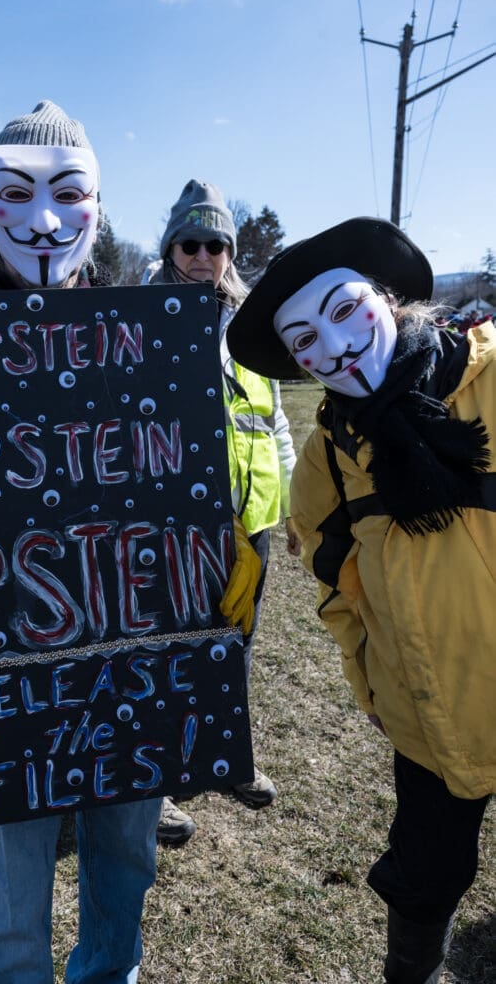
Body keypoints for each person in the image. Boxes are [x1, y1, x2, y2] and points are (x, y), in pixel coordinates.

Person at [0, 102, 261, 984]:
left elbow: (179, 459)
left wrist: (226, 537)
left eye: (68, 194)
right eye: (17, 195)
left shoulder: (145, 329)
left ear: (98, 207)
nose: (44, 221)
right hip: (0, 676)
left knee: (126, 861)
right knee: (7, 886)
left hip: (134, 660)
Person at [226, 216, 495, 984]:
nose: (337, 346)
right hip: (427, 713)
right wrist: (368, 681)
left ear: (387, 298)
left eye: (344, 309)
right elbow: (334, 584)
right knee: (426, 875)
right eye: (305, 339)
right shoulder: (326, 458)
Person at [143, 179, 300, 844]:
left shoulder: (248, 324)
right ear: (170, 248)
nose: (204, 256)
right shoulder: (138, 317)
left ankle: (225, 755)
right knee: (163, 651)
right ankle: (155, 780)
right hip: (174, 527)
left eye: (217, 245)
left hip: (249, 521)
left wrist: (291, 507)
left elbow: (273, 420)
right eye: (191, 243)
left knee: (235, 643)